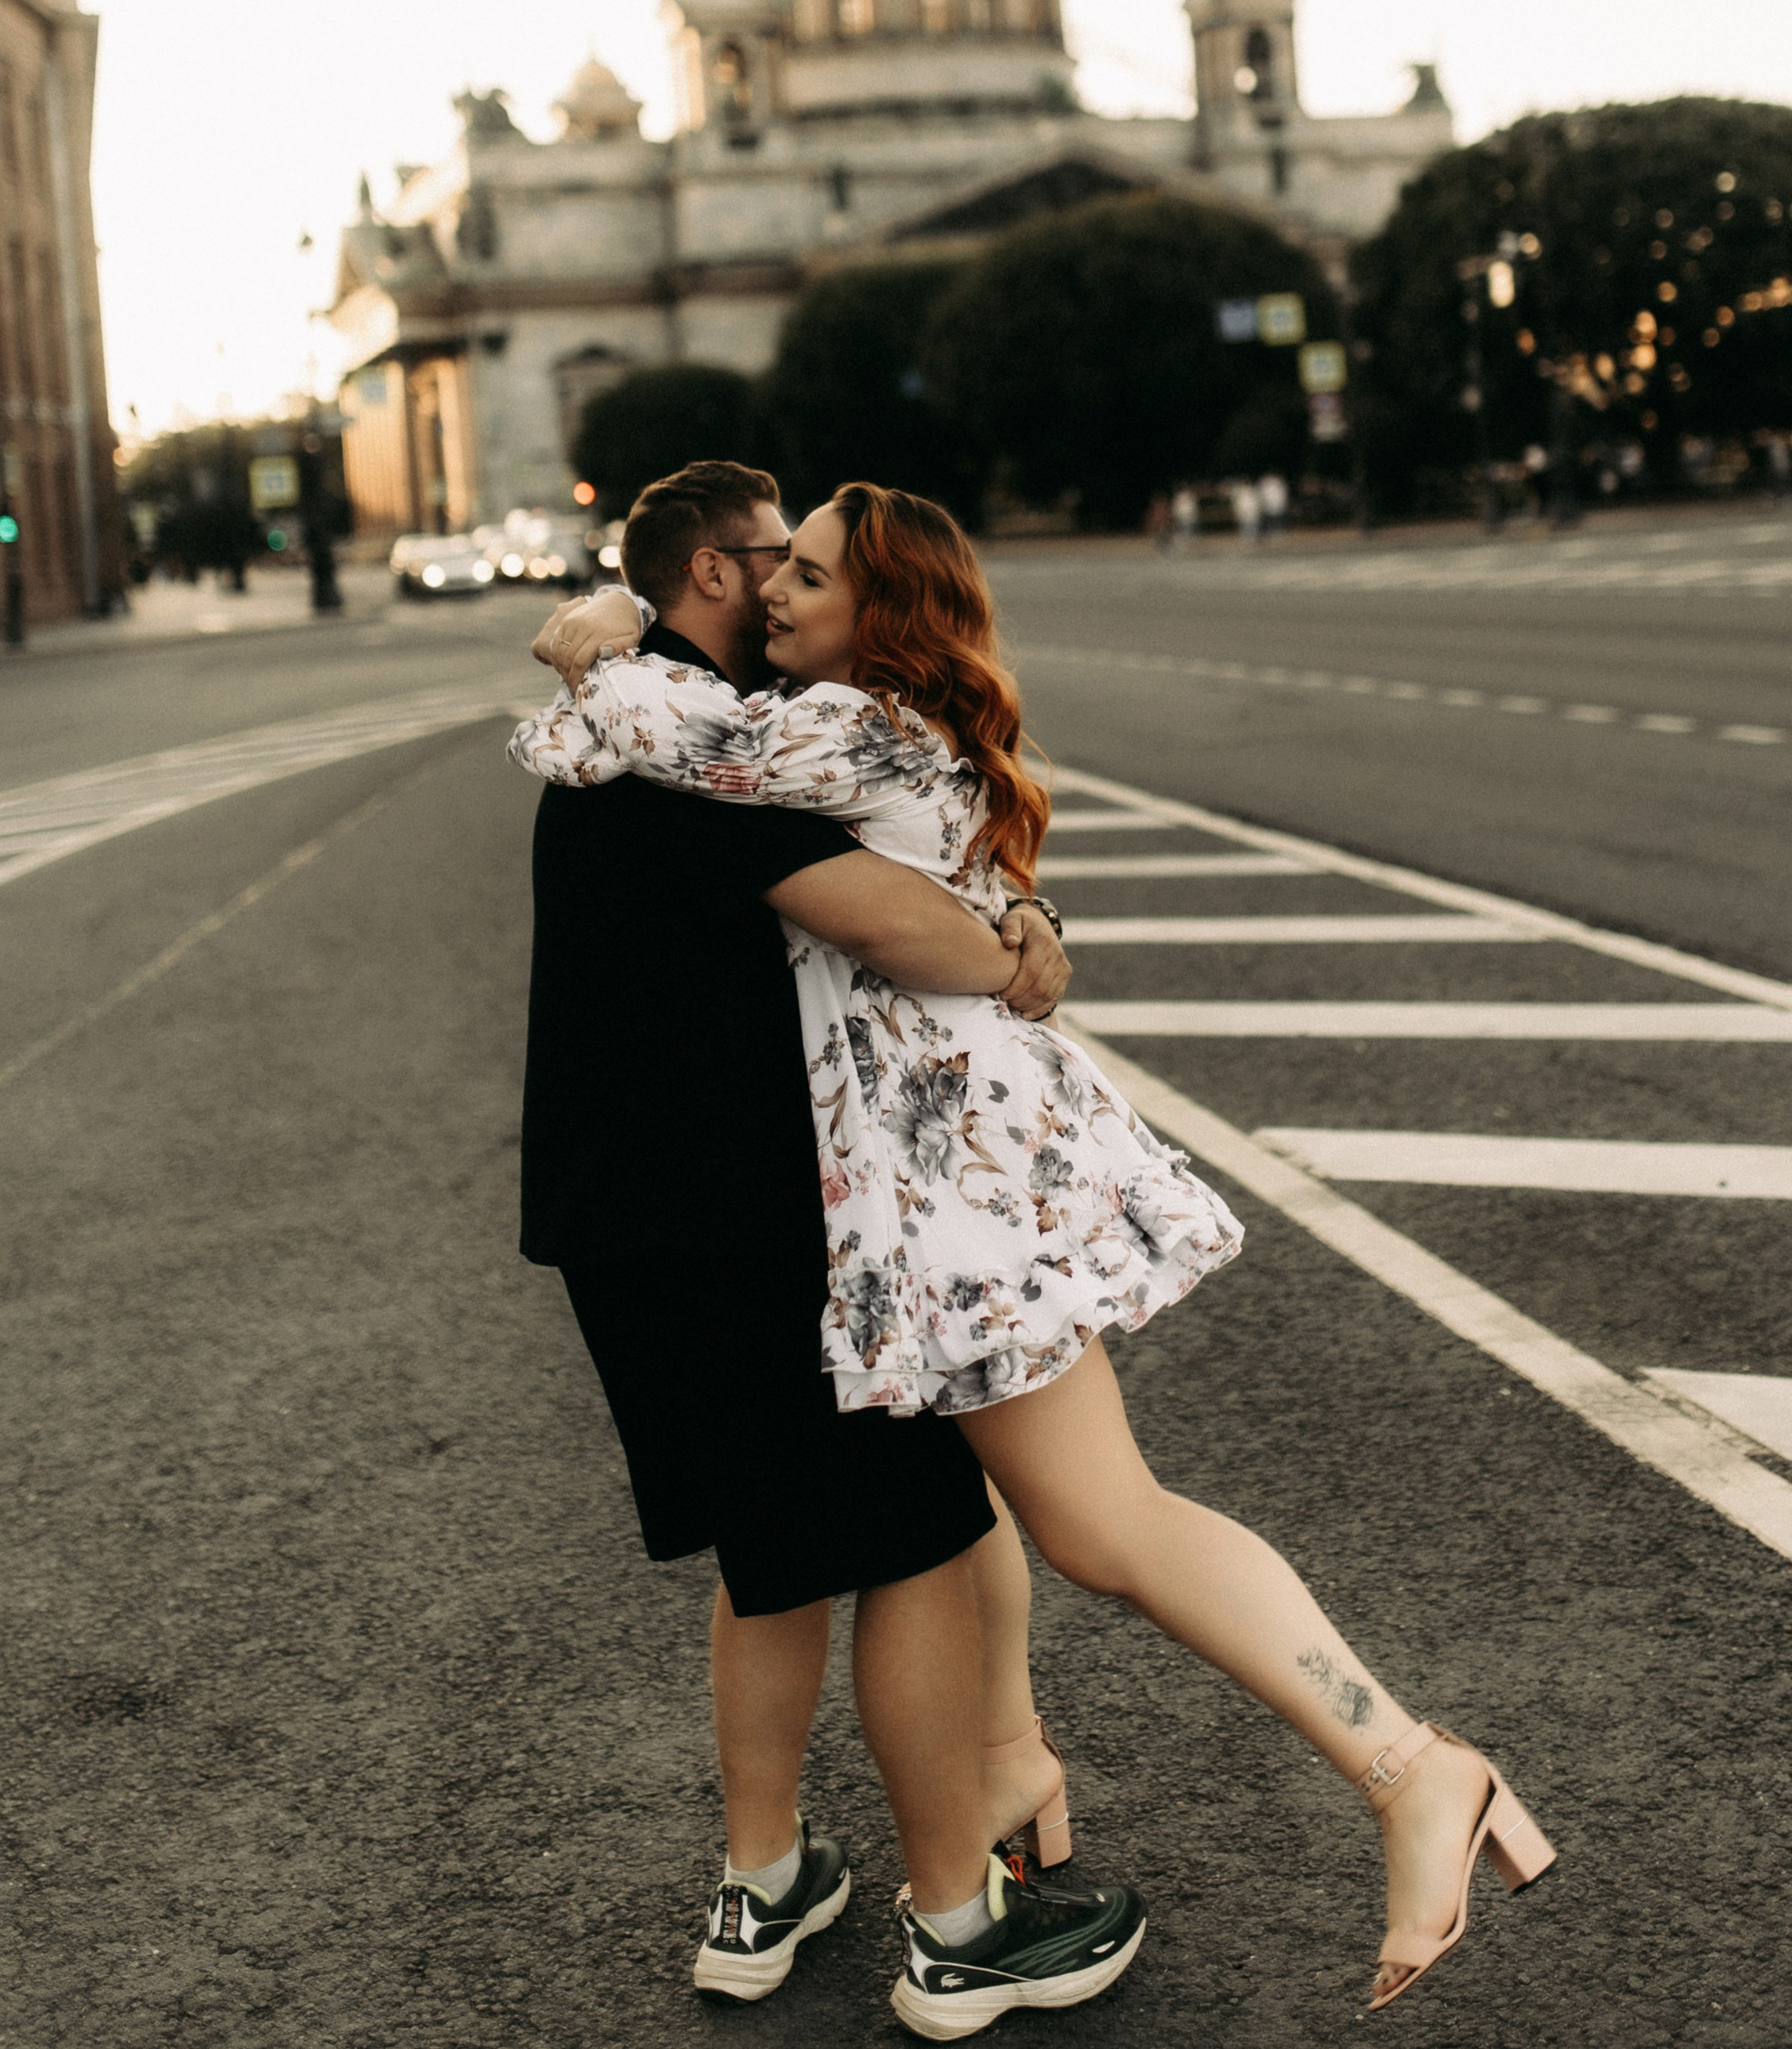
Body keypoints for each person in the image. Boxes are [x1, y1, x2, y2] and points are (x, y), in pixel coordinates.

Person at [524, 484, 1555, 2017]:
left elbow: (657, 745)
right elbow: (897, 845)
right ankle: (1011, 1773)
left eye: (813, 574)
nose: (786, 593)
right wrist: (1015, 913)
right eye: (779, 566)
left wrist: (602, 636)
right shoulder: (847, 726)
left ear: (880, 618)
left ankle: (1409, 1768)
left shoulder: (836, 729)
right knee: (969, 1507)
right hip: (916, 1181)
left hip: (944, 1180)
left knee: (1098, 1523)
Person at [518, 460, 1145, 2030]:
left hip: (621, 1222)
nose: (792, 582)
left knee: (774, 1548)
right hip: (746, 1228)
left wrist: (1021, 908)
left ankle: (765, 1880)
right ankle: (957, 1929)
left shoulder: (624, 735)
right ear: (715, 574)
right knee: (918, 1537)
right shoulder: (709, 758)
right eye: (776, 557)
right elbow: (897, 920)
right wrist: (1018, 949)